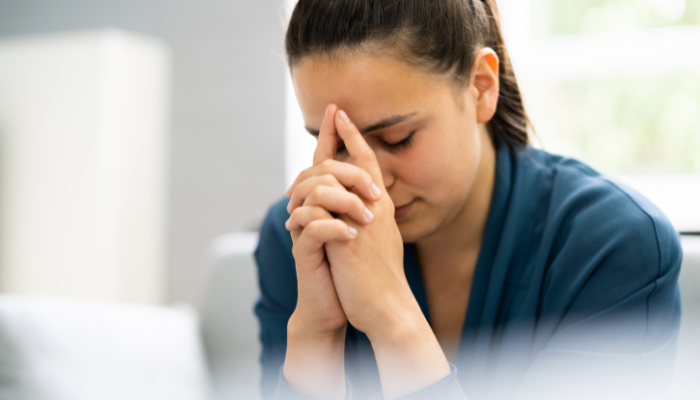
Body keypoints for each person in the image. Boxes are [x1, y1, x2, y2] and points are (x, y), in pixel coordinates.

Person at [254, 1, 683, 399]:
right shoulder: (299, 238)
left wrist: (393, 318)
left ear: (481, 86)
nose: (372, 181)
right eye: (336, 144)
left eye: (398, 139)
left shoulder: (616, 249)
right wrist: (313, 337)